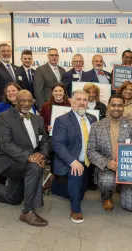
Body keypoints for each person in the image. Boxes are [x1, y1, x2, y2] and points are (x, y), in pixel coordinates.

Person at [0, 90, 49, 227]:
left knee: (13, 198)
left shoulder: (37, 119)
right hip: (8, 162)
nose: (26, 104)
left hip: (27, 160)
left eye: (29, 101)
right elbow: (5, 144)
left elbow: (44, 141)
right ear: (15, 102)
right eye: (23, 101)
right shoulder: (3, 118)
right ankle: (28, 212)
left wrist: (41, 154)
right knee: (35, 167)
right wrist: (29, 156)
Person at [86, 94, 132, 212]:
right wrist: (107, 163)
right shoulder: (96, 126)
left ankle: (122, 187)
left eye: (120, 105)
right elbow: (91, 151)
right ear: (108, 107)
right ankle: (107, 197)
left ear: (123, 107)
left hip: (128, 168)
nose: (116, 108)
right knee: (107, 181)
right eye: (113, 105)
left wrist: (122, 165)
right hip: (107, 168)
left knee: (131, 206)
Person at [50, 90, 98, 223]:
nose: (82, 103)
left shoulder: (92, 119)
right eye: (79, 99)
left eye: (85, 100)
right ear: (71, 101)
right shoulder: (62, 120)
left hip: (88, 162)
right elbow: (58, 144)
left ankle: (55, 186)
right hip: (71, 161)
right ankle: (75, 210)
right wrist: (72, 161)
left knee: (81, 193)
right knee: (76, 179)